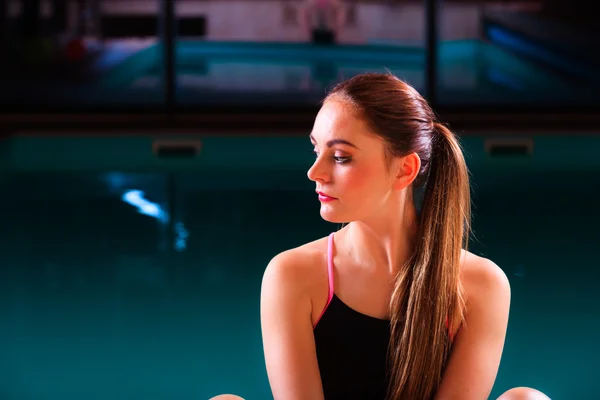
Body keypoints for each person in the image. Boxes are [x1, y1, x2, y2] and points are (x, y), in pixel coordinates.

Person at [256, 73, 551, 399]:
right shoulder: (291, 276)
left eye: (341, 157)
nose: (315, 172)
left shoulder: (480, 285)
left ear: (404, 170)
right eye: (316, 151)